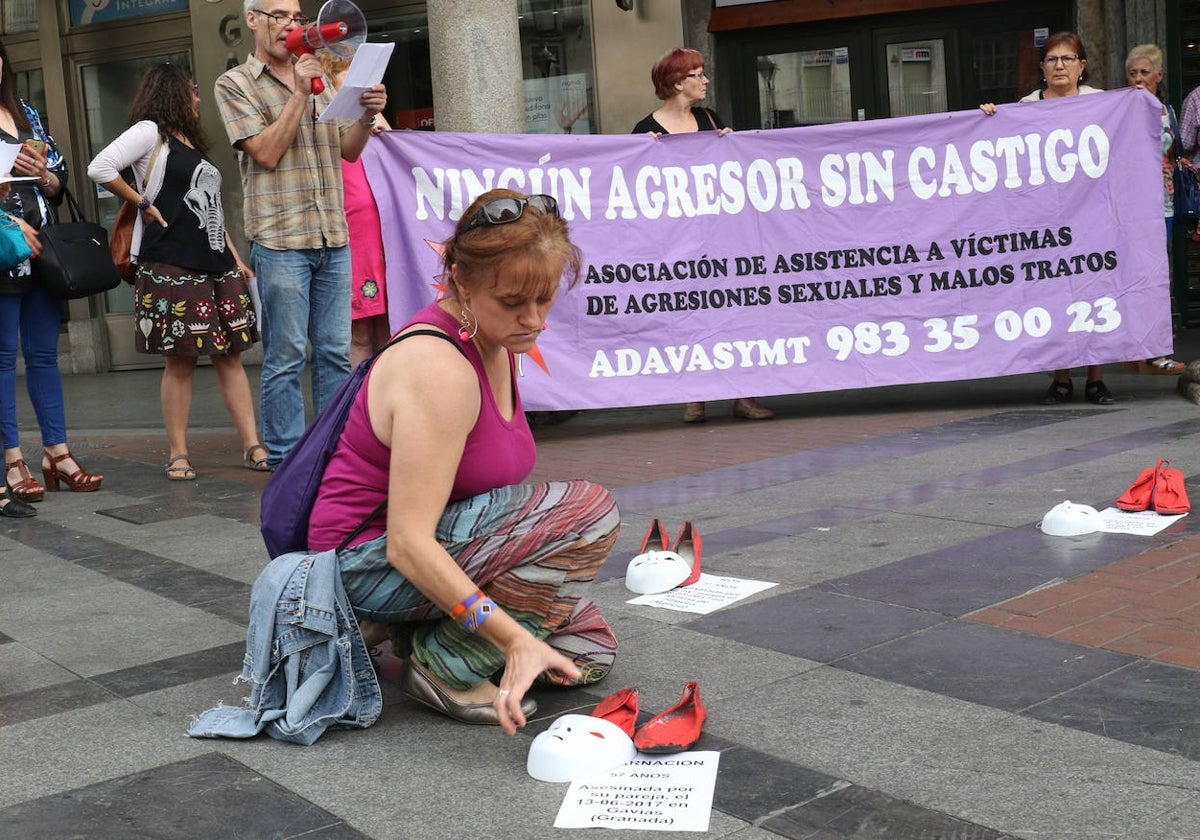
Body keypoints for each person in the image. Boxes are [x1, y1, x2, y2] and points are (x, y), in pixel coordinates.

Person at [306, 189, 620, 735]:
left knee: (587, 650)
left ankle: (408, 633)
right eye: (514, 301)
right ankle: (443, 666)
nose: (534, 319)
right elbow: (408, 542)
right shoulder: (439, 368)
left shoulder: (493, 339)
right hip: (360, 567)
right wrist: (510, 636)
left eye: (544, 299)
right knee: (590, 511)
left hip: (428, 550)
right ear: (459, 281)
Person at [214, 1, 387, 469]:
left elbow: (346, 152)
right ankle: (289, 459)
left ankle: (334, 455)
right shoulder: (235, 84)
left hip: (332, 235)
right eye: (278, 15)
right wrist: (298, 93)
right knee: (287, 356)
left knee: (333, 353)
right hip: (280, 240)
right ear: (252, 19)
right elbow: (266, 153)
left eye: (295, 15)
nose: (291, 24)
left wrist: (367, 118)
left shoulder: (322, 77)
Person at [87, 64, 268, 480]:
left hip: (216, 262)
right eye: (192, 90)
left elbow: (212, 211)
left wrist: (235, 255)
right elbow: (100, 167)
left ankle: (252, 445)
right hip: (170, 261)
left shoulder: (191, 143)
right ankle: (179, 452)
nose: (198, 98)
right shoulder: (150, 131)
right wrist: (141, 202)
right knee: (180, 361)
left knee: (231, 356)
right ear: (173, 93)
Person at [632, 48, 774, 424]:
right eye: (698, 73)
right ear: (678, 83)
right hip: (675, 244)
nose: (705, 80)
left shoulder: (710, 120)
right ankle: (695, 398)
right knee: (689, 318)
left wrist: (729, 143)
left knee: (735, 314)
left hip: (721, 239)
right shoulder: (644, 131)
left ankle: (744, 396)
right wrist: (640, 153)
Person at [981, 32, 1114, 406]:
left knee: (1093, 295)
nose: (1059, 65)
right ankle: (1061, 379)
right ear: (1041, 68)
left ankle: (1096, 379)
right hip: (1045, 222)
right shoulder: (1025, 107)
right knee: (1054, 296)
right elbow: (1001, 146)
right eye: (1052, 59)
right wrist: (990, 116)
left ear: (1082, 66)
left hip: (1092, 217)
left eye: (1068, 59)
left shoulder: (1103, 104)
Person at [0, 38, 103, 501]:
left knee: (43, 356)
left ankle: (57, 453)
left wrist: (42, 174)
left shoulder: (26, 113)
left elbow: (59, 181)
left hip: (42, 251)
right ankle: (13, 459)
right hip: (4, 249)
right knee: (3, 361)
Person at [317, 50, 392, 369]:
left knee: (391, 330)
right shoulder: (329, 130)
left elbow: (391, 140)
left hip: (383, 236)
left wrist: (373, 116)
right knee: (359, 333)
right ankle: (355, 409)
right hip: (352, 237)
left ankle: (391, 405)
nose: (361, 93)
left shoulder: (370, 120)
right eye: (349, 85)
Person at [1122, 44, 1186, 376]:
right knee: (1140, 279)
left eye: (1144, 73)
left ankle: (1155, 350)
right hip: (1133, 210)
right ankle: (1146, 350)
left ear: (1159, 76)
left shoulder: (1168, 112)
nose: (1138, 79)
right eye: (1132, 73)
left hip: (1165, 205)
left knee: (1160, 278)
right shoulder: (1119, 110)